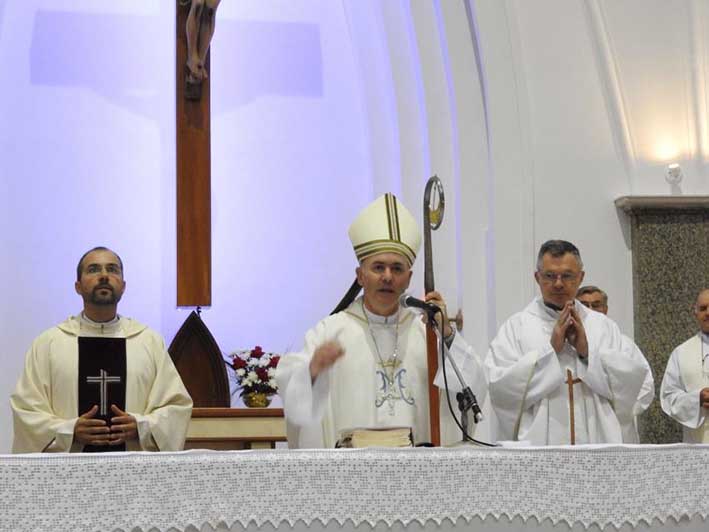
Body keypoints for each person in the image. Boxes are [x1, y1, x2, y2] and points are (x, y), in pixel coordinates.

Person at [276, 193, 486, 448]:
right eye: (378, 267)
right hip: (351, 474)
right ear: (360, 276)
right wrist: (312, 372)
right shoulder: (331, 330)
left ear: (408, 279)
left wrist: (448, 334)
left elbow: (472, 386)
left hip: (418, 471)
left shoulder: (427, 332)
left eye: (397, 269)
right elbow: (293, 390)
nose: (387, 277)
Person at [10, 247, 193, 453]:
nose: (104, 276)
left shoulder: (148, 342)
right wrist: (69, 431)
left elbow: (176, 407)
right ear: (78, 286)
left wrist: (141, 427)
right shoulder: (49, 344)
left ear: (123, 286)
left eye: (112, 269)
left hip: (133, 474)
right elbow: (26, 410)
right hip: (68, 475)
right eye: (94, 269)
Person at [485, 240, 650, 445]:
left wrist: (587, 353)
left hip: (597, 443)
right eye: (550, 276)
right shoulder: (516, 328)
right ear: (537, 278)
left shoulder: (603, 326)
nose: (558, 284)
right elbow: (500, 388)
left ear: (581, 277)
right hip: (540, 446)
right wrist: (550, 351)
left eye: (567, 276)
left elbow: (634, 383)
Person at [576, 285, 654, 443]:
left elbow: (645, 385)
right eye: (584, 305)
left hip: (618, 429)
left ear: (605, 309)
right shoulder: (566, 347)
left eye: (596, 305)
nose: (590, 310)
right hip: (580, 427)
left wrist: (622, 406)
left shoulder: (624, 345)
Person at [660, 289, 709, 443]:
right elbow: (669, 397)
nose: (708, 313)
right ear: (696, 314)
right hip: (699, 444)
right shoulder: (681, 352)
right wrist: (697, 399)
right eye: (703, 308)